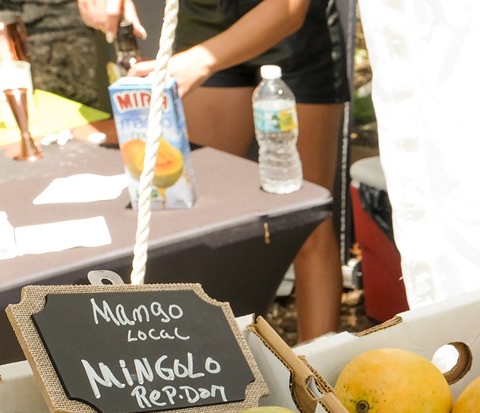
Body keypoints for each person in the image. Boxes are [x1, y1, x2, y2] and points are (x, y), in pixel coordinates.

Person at [79, 0, 349, 343]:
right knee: (191, 209)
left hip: (291, 32)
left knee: (308, 220)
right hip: (204, 17)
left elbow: (288, 11)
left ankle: (316, 380)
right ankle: (197, 362)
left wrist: (201, 60)